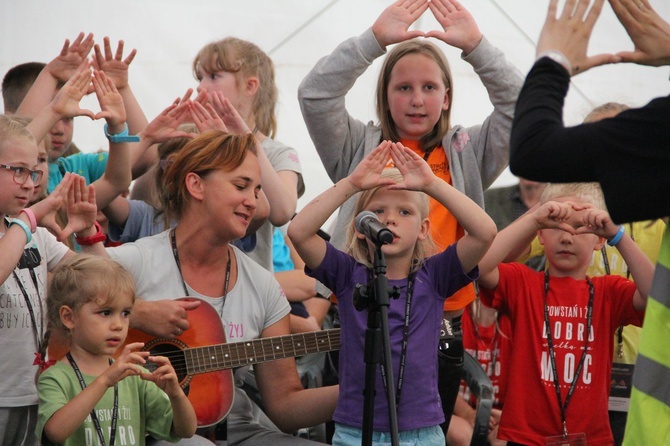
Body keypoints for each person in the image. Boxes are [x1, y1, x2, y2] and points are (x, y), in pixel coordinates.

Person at [297, 0, 523, 430]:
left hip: (441, 323)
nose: (417, 100)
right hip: (361, 317)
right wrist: (373, 41)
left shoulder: (467, 151)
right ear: (385, 95)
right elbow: (314, 94)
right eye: (403, 88)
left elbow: (521, 108)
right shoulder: (359, 148)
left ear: (447, 96)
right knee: (358, 427)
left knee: (426, 430)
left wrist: (476, 46)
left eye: (429, 87)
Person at [104, 131, 338, 445]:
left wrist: (360, 392)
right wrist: (137, 312)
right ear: (195, 184)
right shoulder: (137, 260)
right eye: (241, 186)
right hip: (148, 427)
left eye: (257, 191)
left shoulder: (264, 287)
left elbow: (285, 406)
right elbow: (62, 289)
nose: (252, 201)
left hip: (237, 429)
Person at [508, 0, 670, 443]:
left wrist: (553, 60)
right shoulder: (568, 220)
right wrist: (545, 215)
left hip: (643, 391)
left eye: (610, 146)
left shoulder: (652, 221)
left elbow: (533, 148)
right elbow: (492, 261)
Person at [288, 141, 496, 444]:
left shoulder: (435, 275)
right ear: (361, 227)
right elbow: (299, 231)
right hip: (355, 431)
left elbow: (485, 232)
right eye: (378, 211)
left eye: (405, 211)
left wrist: (431, 185)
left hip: (422, 433)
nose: (390, 218)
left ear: (424, 229)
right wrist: (352, 184)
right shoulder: (348, 274)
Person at [476, 183, 654, 445]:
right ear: (540, 235)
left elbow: (657, 296)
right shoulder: (524, 284)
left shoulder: (609, 292)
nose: (567, 237)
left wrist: (618, 235)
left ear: (600, 240)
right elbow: (478, 266)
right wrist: (535, 219)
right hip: (526, 436)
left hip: (590, 437)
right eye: (557, 225)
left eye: (581, 228)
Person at [0, 114, 106, 445]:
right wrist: (28, 219)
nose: (30, 183)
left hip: (37, 392)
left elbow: (104, 281)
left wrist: (88, 232)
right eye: (18, 171)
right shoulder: (27, 228)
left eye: (33, 172)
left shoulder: (36, 235)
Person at [36, 254, 197, 444]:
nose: (119, 325)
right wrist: (105, 380)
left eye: (125, 313)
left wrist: (176, 394)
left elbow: (185, 430)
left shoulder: (134, 376)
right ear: (69, 318)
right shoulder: (56, 377)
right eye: (106, 313)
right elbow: (54, 432)